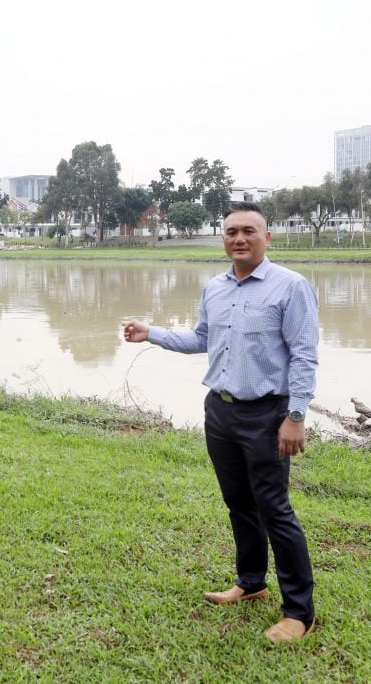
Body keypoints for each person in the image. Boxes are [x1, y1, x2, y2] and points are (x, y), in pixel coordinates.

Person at [121, 201, 319, 643]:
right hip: (221, 411)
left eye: (249, 231)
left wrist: (296, 416)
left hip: (269, 414)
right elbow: (202, 339)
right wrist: (150, 333)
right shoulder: (215, 287)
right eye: (231, 232)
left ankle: (299, 613)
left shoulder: (291, 287)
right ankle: (251, 583)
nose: (239, 239)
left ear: (268, 237)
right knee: (238, 503)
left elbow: (305, 355)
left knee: (275, 509)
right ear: (223, 238)